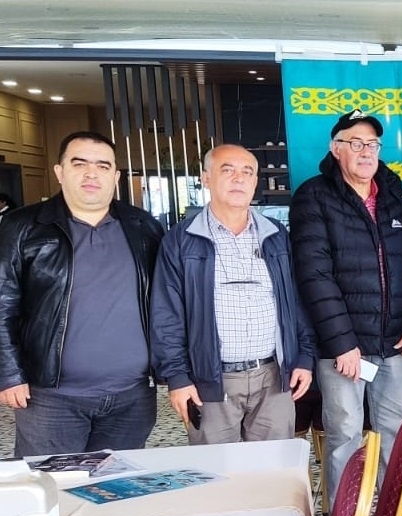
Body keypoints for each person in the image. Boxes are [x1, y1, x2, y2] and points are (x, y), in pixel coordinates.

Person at [290, 109, 402, 516]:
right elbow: (314, 275)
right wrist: (341, 344)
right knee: (345, 434)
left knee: (394, 434)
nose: (366, 151)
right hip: (344, 349)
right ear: (336, 149)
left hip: (396, 344)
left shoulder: (395, 195)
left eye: (372, 144)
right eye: (355, 143)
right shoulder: (314, 196)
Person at [0, 131, 163, 456]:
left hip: (131, 397)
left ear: (115, 176)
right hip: (51, 399)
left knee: (117, 482)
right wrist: (9, 374)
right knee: (51, 484)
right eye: (80, 164)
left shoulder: (143, 226)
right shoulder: (22, 227)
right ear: (60, 171)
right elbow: (3, 304)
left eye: (103, 166)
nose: (92, 173)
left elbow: (166, 303)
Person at [151, 144, 317, 444]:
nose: (239, 179)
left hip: (273, 376)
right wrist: (177, 377)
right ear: (206, 178)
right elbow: (167, 315)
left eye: (247, 172)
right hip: (210, 380)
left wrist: (304, 357)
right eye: (227, 170)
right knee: (216, 468)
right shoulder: (181, 240)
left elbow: (296, 301)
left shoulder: (276, 235)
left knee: (273, 466)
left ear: (255, 182)